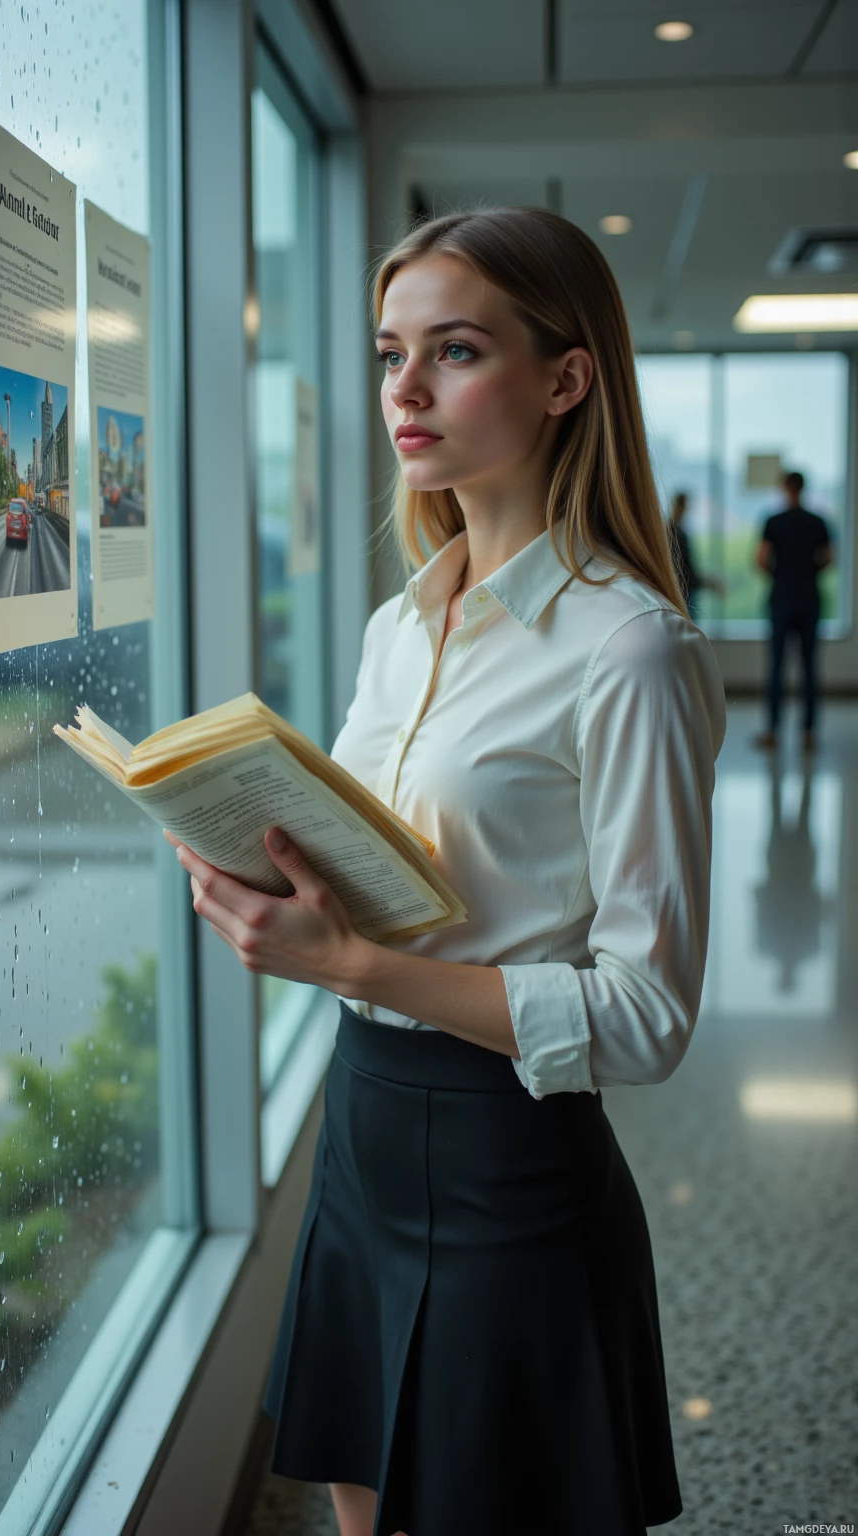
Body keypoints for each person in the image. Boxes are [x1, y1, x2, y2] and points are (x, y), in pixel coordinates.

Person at [167, 207, 726, 1536]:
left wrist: (352, 964)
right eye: (388, 353)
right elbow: (404, 884)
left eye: (455, 350)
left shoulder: (631, 650)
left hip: (509, 1156)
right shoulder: (396, 626)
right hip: (362, 1124)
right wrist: (278, 885)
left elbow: (648, 1018)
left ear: (565, 378)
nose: (403, 392)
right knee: (362, 1508)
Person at [752, 470, 833, 754]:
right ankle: (808, 733)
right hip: (810, 598)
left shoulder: (773, 522)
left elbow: (761, 560)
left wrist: (780, 573)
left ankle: (773, 731)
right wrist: (809, 571)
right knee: (810, 667)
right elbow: (829, 559)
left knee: (776, 666)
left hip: (782, 599)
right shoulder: (818, 522)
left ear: (784, 488)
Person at [667, 489, 726, 620]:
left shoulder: (672, 531)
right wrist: (708, 583)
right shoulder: (675, 533)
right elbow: (685, 568)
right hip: (681, 592)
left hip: (680, 590)